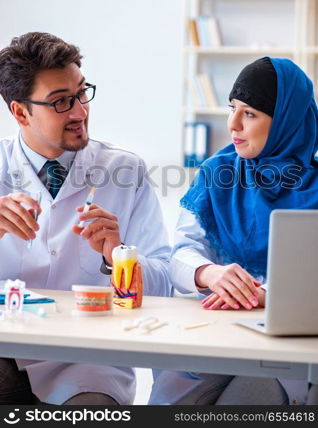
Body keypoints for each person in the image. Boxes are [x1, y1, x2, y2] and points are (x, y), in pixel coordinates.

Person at [0, 32, 172, 405]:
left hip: (86, 364)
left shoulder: (124, 170)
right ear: (20, 112)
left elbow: (165, 289)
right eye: (60, 102)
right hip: (6, 351)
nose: (80, 112)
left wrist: (118, 257)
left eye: (81, 93)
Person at [149, 57, 318, 405]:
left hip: (285, 345)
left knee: (249, 398)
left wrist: (267, 295)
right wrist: (208, 272)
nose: (233, 125)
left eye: (250, 114)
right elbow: (179, 252)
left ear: (287, 119)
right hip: (215, 333)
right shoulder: (218, 171)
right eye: (232, 108)